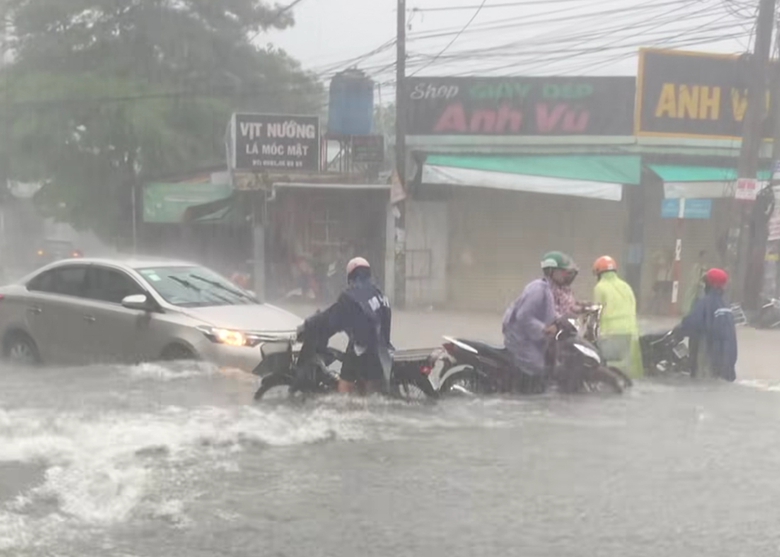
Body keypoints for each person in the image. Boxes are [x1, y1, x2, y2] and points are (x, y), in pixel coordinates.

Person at [298, 257, 393, 395]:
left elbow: (331, 318)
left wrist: (310, 324)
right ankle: (365, 401)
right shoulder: (379, 294)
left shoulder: (350, 297)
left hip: (361, 348)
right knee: (369, 388)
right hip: (381, 349)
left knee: (344, 386)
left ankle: (349, 411)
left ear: (351, 275)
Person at [502, 251, 578, 392]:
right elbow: (523, 316)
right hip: (521, 339)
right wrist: (543, 329)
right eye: (561, 272)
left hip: (532, 338)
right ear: (551, 271)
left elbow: (549, 313)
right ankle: (524, 393)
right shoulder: (538, 289)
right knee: (538, 367)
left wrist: (561, 320)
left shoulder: (548, 288)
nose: (565, 275)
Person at [675, 268, 737, 381]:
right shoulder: (726, 306)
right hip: (726, 359)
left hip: (708, 353)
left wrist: (678, 331)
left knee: (704, 384)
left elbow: (692, 323)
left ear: (710, 284)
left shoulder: (705, 303)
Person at [592, 255, 643, 379]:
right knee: (628, 368)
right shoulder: (626, 286)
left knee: (603, 362)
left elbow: (596, 311)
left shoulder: (600, 287)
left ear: (598, 273)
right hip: (631, 332)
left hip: (610, 332)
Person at [683, 250, 708, 314]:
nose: (705, 259)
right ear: (700, 257)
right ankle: (688, 311)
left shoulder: (705, 266)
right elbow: (693, 275)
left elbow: (705, 275)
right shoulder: (696, 266)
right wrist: (695, 282)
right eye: (704, 257)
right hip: (695, 285)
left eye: (706, 257)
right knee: (691, 298)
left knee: (701, 299)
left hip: (701, 285)